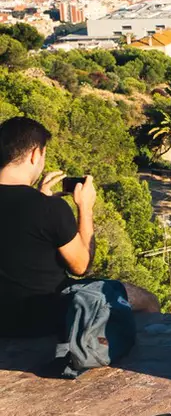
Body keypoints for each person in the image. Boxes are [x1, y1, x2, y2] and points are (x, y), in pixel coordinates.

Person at [0, 115, 158, 339]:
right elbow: (82, 266)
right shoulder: (50, 209)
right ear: (35, 154)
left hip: (5, 320)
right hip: (46, 321)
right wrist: (86, 208)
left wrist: (40, 198)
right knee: (147, 300)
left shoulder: (44, 205)